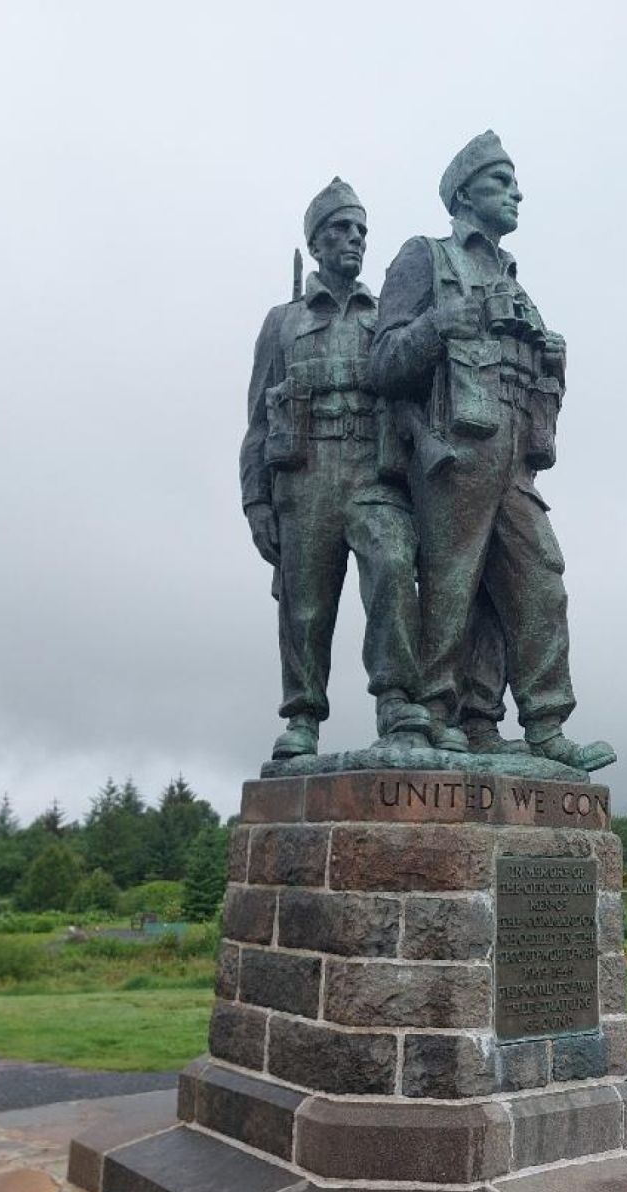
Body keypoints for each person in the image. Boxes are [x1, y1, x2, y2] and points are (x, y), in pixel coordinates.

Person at [371, 132, 614, 772]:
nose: (517, 194)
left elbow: (535, 379)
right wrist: (434, 327)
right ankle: (436, 712)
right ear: (463, 194)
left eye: (515, 183)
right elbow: (382, 362)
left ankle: (542, 723)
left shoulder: (514, 281)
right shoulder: (426, 257)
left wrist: (555, 361)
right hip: (457, 446)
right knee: (452, 584)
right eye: (501, 182)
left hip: (515, 452)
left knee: (540, 580)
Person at [240, 179, 428, 758]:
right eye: (342, 229)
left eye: (361, 231)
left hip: (374, 472)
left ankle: (397, 700)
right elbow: (257, 422)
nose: (355, 239)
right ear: (316, 242)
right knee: (305, 604)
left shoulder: (386, 317)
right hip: (306, 476)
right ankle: (302, 715)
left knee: (394, 566)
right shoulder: (282, 322)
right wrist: (256, 502)